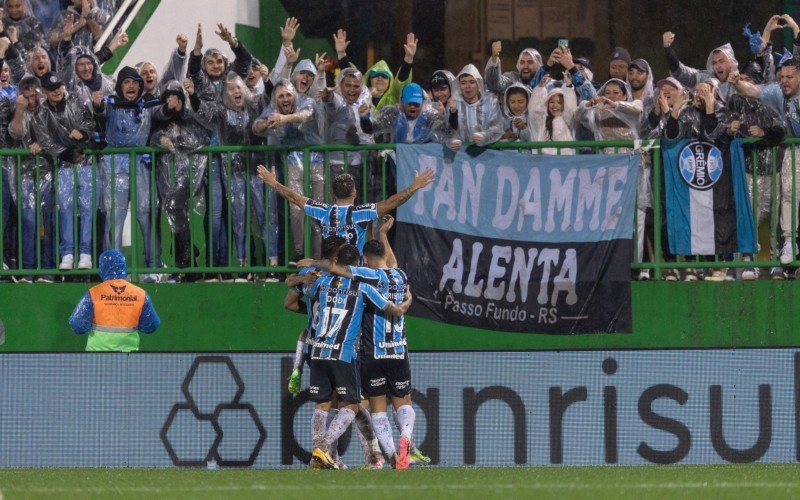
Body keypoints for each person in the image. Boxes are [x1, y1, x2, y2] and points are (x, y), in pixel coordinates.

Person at [299, 217, 418, 469]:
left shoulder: (320, 281)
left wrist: (308, 269)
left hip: (318, 350)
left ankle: (320, 453)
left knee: (325, 407)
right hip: (352, 352)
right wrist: (406, 303)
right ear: (358, 263)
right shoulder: (367, 285)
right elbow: (394, 305)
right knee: (354, 405)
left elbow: (304, 294)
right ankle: (333, 449)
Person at [255, 166, 435, 254]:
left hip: (330, 274)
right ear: (355, 192)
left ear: (332, 193)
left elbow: (294, 197)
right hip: (355, 275)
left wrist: (273, 183)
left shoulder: (323, 211)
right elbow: (391, 202)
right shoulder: (360, 213)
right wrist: (414, 187)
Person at [93, 66, 162, 282]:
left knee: (146, 216)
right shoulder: (111, 105)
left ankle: (153, 268)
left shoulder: (148, 105)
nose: (131, 86)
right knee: (115, 219)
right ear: (120, 86)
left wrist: (171, 106)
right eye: (126, 82)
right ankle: (113, 273)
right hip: (115, 167)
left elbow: (164, 112)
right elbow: (101, 111)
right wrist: (96, 104)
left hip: (141, 166)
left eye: (135, 82)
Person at [29, 71, 95, 271]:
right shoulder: (40, 114)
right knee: (65, 209)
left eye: (58, 87)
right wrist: (67, 154)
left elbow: (89, 122)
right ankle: (67, 254)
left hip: (86, 162)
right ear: (45, 92)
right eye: (51, 89)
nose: (57, 91)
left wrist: (83, 133)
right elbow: (45, 140)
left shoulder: (76, 101)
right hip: (65, 165)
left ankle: (85, 254)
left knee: (87, 209)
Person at [253, 78, 322, 260]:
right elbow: (256, 126)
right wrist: (267, 122)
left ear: (295, 96)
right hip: (292, 162)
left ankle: (319, 256)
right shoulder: (273, 109)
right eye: (281, 96)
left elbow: (306, 115)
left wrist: (284, 119)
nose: (285, 99)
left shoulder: (306, 101)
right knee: (296, 210)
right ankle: (301, 256)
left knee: (319, 210)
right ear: (276, 100)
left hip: (317, 161)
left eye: (288, 95)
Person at [8, 75, 55, 282]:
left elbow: (58, 133)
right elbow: (17, 134)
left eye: (33, 95)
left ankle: (48, 270)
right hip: (26, 175)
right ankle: (27, 271)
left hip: (50, 173)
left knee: (50, 221)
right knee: (28, 222)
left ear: (40, 93)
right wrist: (19, 109)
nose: (30, 100)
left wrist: (42, 143)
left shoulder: (49, 109)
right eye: (25, 97)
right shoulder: (20, 110)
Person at [68, 249, 159, 351]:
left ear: (102, 268)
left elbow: (77, 325)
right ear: (124, 266)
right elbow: (151, 326)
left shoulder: (93, 293)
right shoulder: (140, 294)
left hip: (96, 359)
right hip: (128, 359)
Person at [359, 82, 447, 145]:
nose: (412, 107)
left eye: (416, 104)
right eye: (409, 103)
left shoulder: (430, 115)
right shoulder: (392, 113)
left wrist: (452, 113)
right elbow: (370, 129)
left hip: (424, 163)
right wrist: (365, 118)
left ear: (423, 102)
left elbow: (447, 133)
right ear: (402, 101)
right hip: (398, 163)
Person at [663, 31, 739, 103]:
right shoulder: (704, 77)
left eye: (721, 61)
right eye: (714, 63)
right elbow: (680, 72)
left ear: (731, 62)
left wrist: (738, 83)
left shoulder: (743, 81)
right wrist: (667, 48)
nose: (717, 66)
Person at [448, 63, 503, 149]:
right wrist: (452, 140)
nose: (467, 86)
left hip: (486, 155)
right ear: (459, 86)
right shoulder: (453, 104)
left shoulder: (491, 102)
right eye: (463, 83)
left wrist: (485, 136)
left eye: (472, 82)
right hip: (462, 157)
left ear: (479, 84)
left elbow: (497, 129)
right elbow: (447, 130)